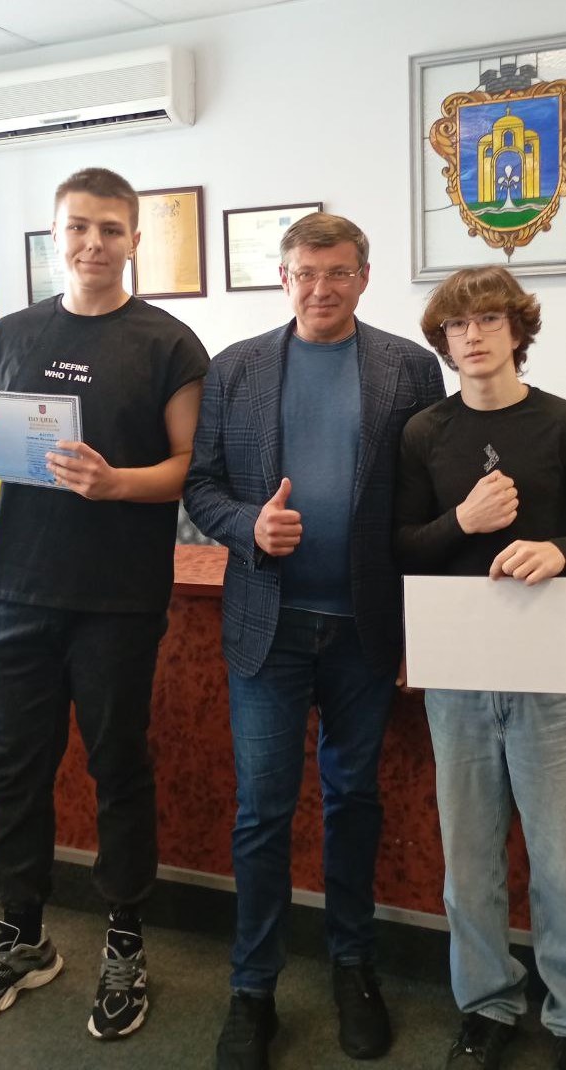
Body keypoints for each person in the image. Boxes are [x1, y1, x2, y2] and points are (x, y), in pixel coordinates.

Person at [183, 212, 444, 1069]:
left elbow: (424, 495)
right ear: (283, 277)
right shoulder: (236, 368)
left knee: (352, 801)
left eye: (337, 272)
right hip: (270, 626)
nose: (320, 288)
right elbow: (202, 486)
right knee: (263, 811)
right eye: (305, 271)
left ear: (363, 276)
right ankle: (251, 990)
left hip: (365, 626)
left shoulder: (408, 367)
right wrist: (248, 528)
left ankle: (352, 967)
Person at [0, 167, 209, 1038]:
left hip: (117, 597)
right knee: (15, 769)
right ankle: (23, 934)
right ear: (54, 234)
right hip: (15, 588)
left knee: (116, 768)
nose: (92, 243)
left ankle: (124, 940)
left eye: (110, 229)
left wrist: (117, 483)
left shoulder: (167, 343)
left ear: (133, 239)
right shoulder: (12, 332)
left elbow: (189, 467)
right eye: (77, 227)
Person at [395, 266, 566, 1070]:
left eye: (488, 320)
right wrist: (461, 521)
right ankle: (487, 1003)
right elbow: (401, 546)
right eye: (456, 325)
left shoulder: (559, 423)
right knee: (468, 866)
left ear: (516, 330)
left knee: (559, 863)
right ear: (443, 340)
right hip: (457, 670)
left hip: (547, 671)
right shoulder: (423, 433)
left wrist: (559, 549)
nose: (471, 335)